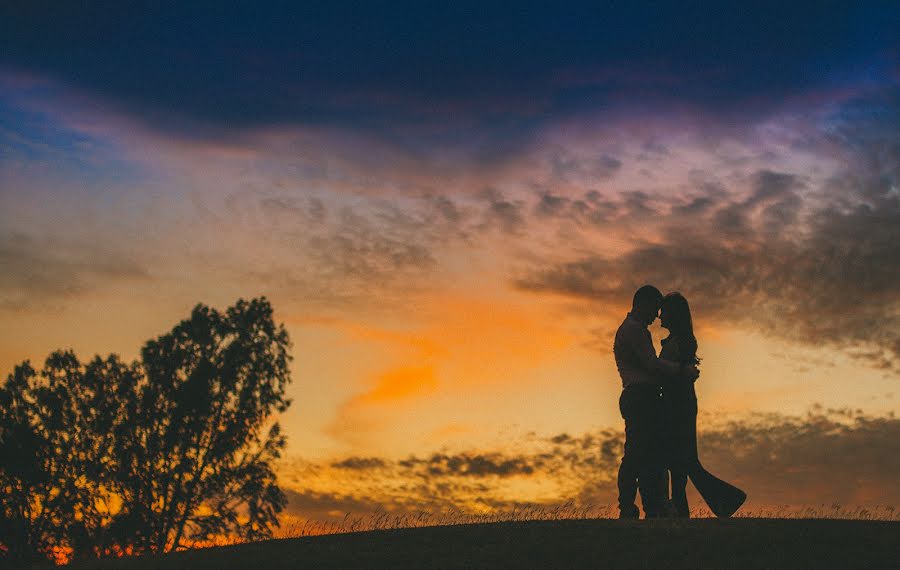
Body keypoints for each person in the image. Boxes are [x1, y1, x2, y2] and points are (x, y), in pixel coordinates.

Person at [613, 285, 698, 519]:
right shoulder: (634, 331)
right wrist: (682, 371)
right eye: (654, 308)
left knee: (649, 455)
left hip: (644, 397)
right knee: (637, 453)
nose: (656, 315)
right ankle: (630, 507)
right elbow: (652, 365)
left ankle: (650, 506)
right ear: (643, 304)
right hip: (639, 397)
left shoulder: (636, 330)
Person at [659, 291, 747, 518]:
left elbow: (664, 374)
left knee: (684, 462)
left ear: (674, 314)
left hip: (678, 406)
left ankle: (726, 499)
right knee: (681, 462)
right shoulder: (681, 341)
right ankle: (686, 511)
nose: (660, 316)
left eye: (664, 311)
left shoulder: (676, 344)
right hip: (682, 404)